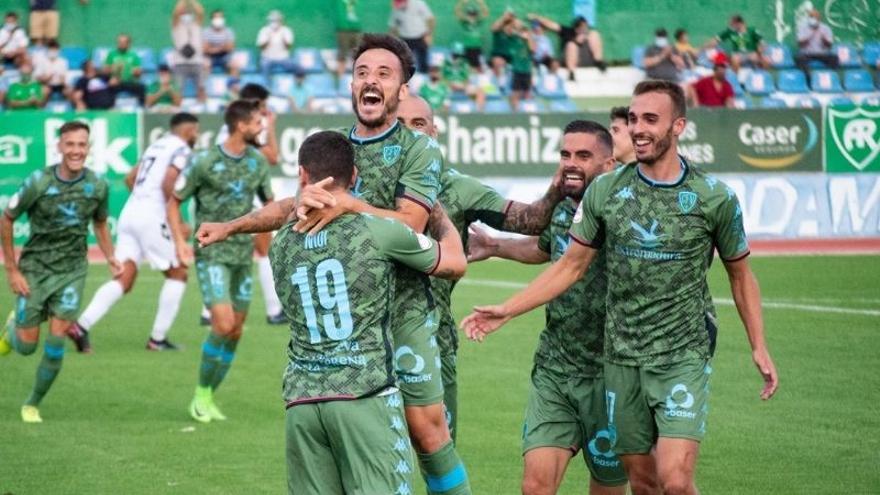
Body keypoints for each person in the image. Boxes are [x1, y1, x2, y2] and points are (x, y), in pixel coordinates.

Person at [461, 80, 779, 495]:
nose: (638, 128)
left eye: (650, 119)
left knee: (677, 481)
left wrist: (758, 344)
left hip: (681, 354)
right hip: (620, 361)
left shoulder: (713, 197)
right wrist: (508, 308)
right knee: (643, 483)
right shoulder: (606, 193)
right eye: (632, 119)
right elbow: (568, 264)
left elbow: (741, 274)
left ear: (679, 125)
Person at [195, 130, 468, 495]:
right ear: (354, 177)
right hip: (364, 396)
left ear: (302, 176)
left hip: (302, 403)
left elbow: (287, 218)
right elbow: (454, 262)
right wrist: (439, 216)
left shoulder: (283, 244)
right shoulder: (378, 231)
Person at [258, 34, 473, 495]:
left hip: (407, 309)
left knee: (428, 434)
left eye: (383, 74)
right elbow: (298, 202)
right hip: (352, 315)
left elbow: (414, 222)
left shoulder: (420, 149)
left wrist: (350, 204)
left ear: (402, 90)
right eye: (361, 72)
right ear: (351, 84)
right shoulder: (336, 146)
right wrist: (233, 224)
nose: (370, 80)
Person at [465, 120, 627, 495]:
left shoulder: (621, 211)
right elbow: (545, 250)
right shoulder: (559, 211)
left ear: (609, 163)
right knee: (535, 487)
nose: (571, 163)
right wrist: (497, 247)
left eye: (583, 156)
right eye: (565, 154)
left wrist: (507, 310)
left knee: (607, 488)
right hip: (556, 369)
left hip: (612, 373)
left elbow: (572, 264)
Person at [397, 95, 565, 442]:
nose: (411, 134)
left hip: (433, 338)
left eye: (418, 124)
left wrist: (559, 185)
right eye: (400, 125)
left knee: (438, 451)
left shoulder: (459, 188)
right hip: (370, 339)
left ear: (434, 131)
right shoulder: (364, 185)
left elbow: (532, 221)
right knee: (374, 460)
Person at [0, 121, 120, 423]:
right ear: (59, 146)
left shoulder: (98, 185)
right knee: (27, 346)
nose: (76, 151)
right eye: (70, 144)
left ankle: (32, 404)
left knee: (56, 342)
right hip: (35, 269)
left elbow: (101, 223)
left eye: (82, 145)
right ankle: (13, 329)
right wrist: (12, 270)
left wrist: (111, 257)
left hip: (72, 271)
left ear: (88, 148)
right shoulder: (38, 182)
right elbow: (7, 218)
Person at [167, 100, 274, 423]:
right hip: (211, 252)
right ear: (241, 125)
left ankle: (209, 396)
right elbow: (174, 201)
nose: (261, 129)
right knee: (223, 325)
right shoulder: (204, 161)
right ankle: (200, 394)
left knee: (236, 331)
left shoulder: (257, 162)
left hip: (243, 255)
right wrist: (180, 243)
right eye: (257, 123)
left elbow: (269, 206)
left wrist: (269, 247)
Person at [65, 113, 199, 354]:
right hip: (153, 214)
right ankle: (157, 339)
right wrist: (176, 220)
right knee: (178, 273)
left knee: (123, 277)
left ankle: (81, 326)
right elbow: (168, 183)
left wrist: (142, 200)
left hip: (131, 212)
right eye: (196, 131)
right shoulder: (181, 148)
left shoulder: (156, 145)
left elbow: (130, 178)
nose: (196, 136)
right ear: (189, 130)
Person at [204, 82, 284, 327]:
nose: (266, 110)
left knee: (221, 251)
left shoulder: (229, 129)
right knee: (264, 250)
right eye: (264, 106)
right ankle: (273, 310)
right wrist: (271, 127)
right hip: (239, 198)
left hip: (224, 197)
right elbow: (272, 157)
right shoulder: (245, 132)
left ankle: (208, 312)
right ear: (256, 105)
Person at [528, 13, 606, 79]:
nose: (583, 29)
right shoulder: (567, 32)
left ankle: (598, 61)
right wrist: (536, 17)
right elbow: (551, 25)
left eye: (585, 26)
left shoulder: (589, 34)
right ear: (576, 28)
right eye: (580, 27)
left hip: (588, 60)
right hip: (569, 61)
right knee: (571, 45)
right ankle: (571, 73)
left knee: (595, 34)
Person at [171, 0, 206, 102]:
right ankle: (178, 111)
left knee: (201, 89)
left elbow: (200, 12)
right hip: (180, 63)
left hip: (197, 62)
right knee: (178, 90)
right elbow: (176, 13)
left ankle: (203, 108)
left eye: (189, 13)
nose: (186, 15)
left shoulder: (197, 25)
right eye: (184, 13)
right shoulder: (176, 26)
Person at [388, 0, 434, 74]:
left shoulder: (418, 3)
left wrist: (429, 35)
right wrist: (391, 42)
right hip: (405, 39)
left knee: (423, 62)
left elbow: (431, 19)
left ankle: (424, 76)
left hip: (420, 36)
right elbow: (392, 27)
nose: (400, 7)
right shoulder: (395, 9)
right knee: (405, 63)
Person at [104, 33, 146, 105]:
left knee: (141, 87)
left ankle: (142, 109)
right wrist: (113, 69)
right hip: (116, 82)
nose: (121, 44)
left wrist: (137, 72)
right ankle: (109, 109)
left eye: (124, 42)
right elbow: (105, 71)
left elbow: (138, 72)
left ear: (128, 44)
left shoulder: (133, 55)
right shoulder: (112, 54)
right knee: (106, 87)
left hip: (129, 82)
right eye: (119, 42)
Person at [443, 42, 486, 111]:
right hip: (448, 86)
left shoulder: (464, 63)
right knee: (444, 94)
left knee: (480, 91)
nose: (457, 58)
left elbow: (467, 78)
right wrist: (450, 84)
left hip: (462, 86)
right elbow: (441, 78)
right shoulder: (445, 63)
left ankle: (479, 113)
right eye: (455, 55)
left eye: (459, 55)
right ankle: (446, 114)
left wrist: (462, 86)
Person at [795, 9, 838, 75]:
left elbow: (829, 45)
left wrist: (824, 39)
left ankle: (830, 77)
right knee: (799, 59)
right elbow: (800, 44)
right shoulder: (802, 28)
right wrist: (810, 35)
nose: (813, 19)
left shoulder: (826, 28)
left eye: (815, 17)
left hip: (822, 54)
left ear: (819, 19)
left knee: (834, 58)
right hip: (807, 54)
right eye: (811, 17)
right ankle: (808, 77)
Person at [256, 10, 296, 81]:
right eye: (273, 20)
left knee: (296, 67)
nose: (275, 22)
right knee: (264, 65)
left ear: (281, 21)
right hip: (267, 58)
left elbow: (289, 46)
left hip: (283, 58)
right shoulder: (264, 30)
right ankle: (267, 87)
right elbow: (261, 47)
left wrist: (283, 37)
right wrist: (268, 38)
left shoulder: (286, 30)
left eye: (277, 20)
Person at [454, 0, 489, 69]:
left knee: (476, 67)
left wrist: (481, 3)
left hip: (476, 47)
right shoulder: (464, 22)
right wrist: (461, 3)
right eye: (470, 14)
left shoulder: (479, 22)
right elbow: (457, 12)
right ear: (467, 15)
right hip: (465, 47)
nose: (472, 16)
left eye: (474, 14)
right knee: (462, 66)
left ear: (476, 15)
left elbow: (486, 13)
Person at [203, 9, 237, 76]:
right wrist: (222, 47)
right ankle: (205, 85)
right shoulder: (206, 32)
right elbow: (205, 49)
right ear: (211, 19)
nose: (218, 19)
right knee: (205, 65)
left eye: (220, 17)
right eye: (216, 17)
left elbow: (230, 48)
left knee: (234, 65)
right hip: (209, 57)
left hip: (225, 56)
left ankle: (233, 85)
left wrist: (212, 46)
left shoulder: (229, 31)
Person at [334, 0, 362, 78]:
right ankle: (340, 81)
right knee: (342, 55)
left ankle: (357, 79)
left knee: (357, 56)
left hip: (356, 29)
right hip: (343, 29)